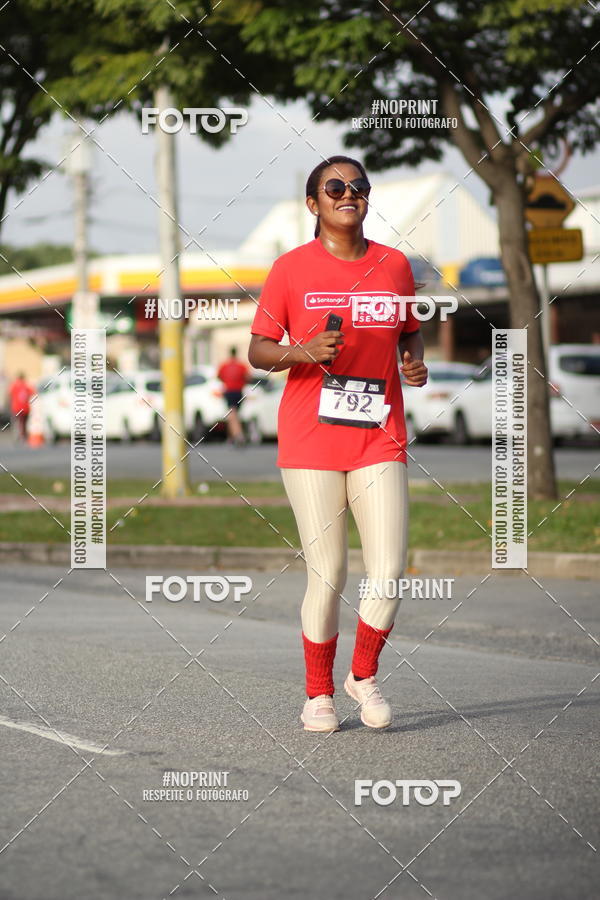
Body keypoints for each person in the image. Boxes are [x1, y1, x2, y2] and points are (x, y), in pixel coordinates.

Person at [248, 155, 428, 733]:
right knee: (328, 572)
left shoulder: (395, 265)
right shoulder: (290, 269)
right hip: (311, 438)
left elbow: (408, 327)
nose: (348, 193)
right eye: (334, 187)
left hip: (379, 433)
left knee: (390, 570)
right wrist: (303, 351)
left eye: (358, 186)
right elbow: (258, 350)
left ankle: (362, 674)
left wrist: (413, 358)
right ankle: (318, 693)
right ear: (313, 204)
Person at [217, 347, 249, 446]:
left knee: (232, 415)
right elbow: (248, 377)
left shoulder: (224, 365)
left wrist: (227, 382)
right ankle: (232, 438)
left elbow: (219, 376)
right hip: (239, 392)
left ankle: (239, 435)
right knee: (233, 415)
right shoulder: (242, 365)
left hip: (229, 391)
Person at [9, 372, 34, 442]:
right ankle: (23, 436)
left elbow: (10, 394)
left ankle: (18, 436)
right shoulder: (26, 385)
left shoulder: (14, 385)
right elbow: (33, 392)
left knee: (17, 423)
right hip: (25, 408)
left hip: (17, 408)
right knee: (24, 423)